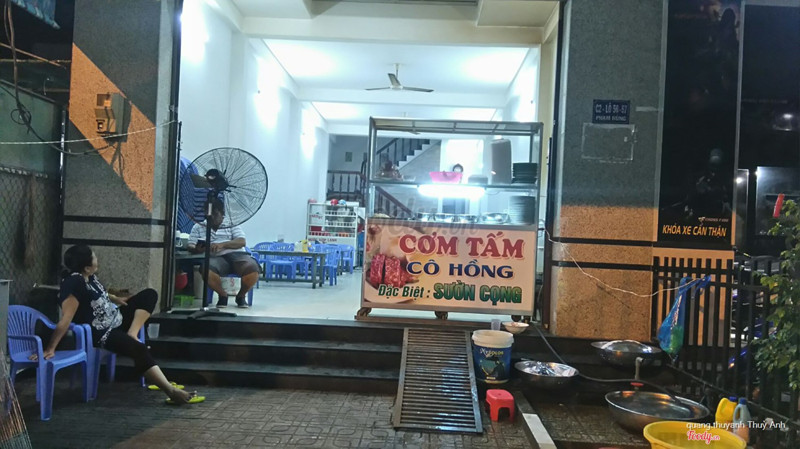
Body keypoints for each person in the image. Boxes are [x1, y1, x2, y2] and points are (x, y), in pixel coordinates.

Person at [33, 245, 201, 405]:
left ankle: (132, 333)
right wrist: (50, 348)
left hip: (116, 319)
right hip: (103, 333)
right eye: (94, 257)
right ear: (87, 267)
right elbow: (66, 319)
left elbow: (98, 294)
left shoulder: (90, 277)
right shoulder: (73, 283)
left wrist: (114, 298)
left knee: (149, 294)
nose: (97, 259)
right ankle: (171, 391)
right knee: (138, 349)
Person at [187, 198, 259, 308]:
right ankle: (222, 295)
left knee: (253, 268)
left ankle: (241, 296)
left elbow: (241, 241)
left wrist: (222, 245)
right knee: (205, 269)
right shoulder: (198, 227)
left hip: (237, 256)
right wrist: (197, 249)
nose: (212, 217)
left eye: (215, 214)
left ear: (222, 213)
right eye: (209, 214)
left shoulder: (231, 224)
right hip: (215, 258)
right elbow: (190, 245)